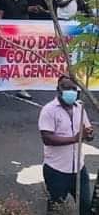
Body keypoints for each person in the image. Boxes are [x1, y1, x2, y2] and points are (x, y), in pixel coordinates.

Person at [39, 75, 93, 214]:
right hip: (57, 171)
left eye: (74, 88)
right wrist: (75, 138)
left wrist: (89, 134)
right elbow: (47, 138)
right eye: (67, 88)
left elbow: (86, 129)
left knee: (86, 207)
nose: (71, 92)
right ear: (59, 89)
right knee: (56, 209)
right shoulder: (49, 110)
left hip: (79, 169)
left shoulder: (80, 107)